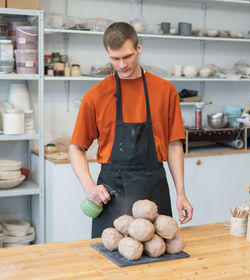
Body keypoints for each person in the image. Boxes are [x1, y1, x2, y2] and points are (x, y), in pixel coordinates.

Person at [69, 22, 193, 237]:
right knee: (109, 261)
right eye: (115, 59)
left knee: (158, 258)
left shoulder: (165, 91)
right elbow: (76, 148)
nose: (122, 65)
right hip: (113, 192)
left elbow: (174, 144)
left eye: (127, 56)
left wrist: (181, 193)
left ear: (139, 48)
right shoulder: (96, 96)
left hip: (154, 187)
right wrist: (88, 187)